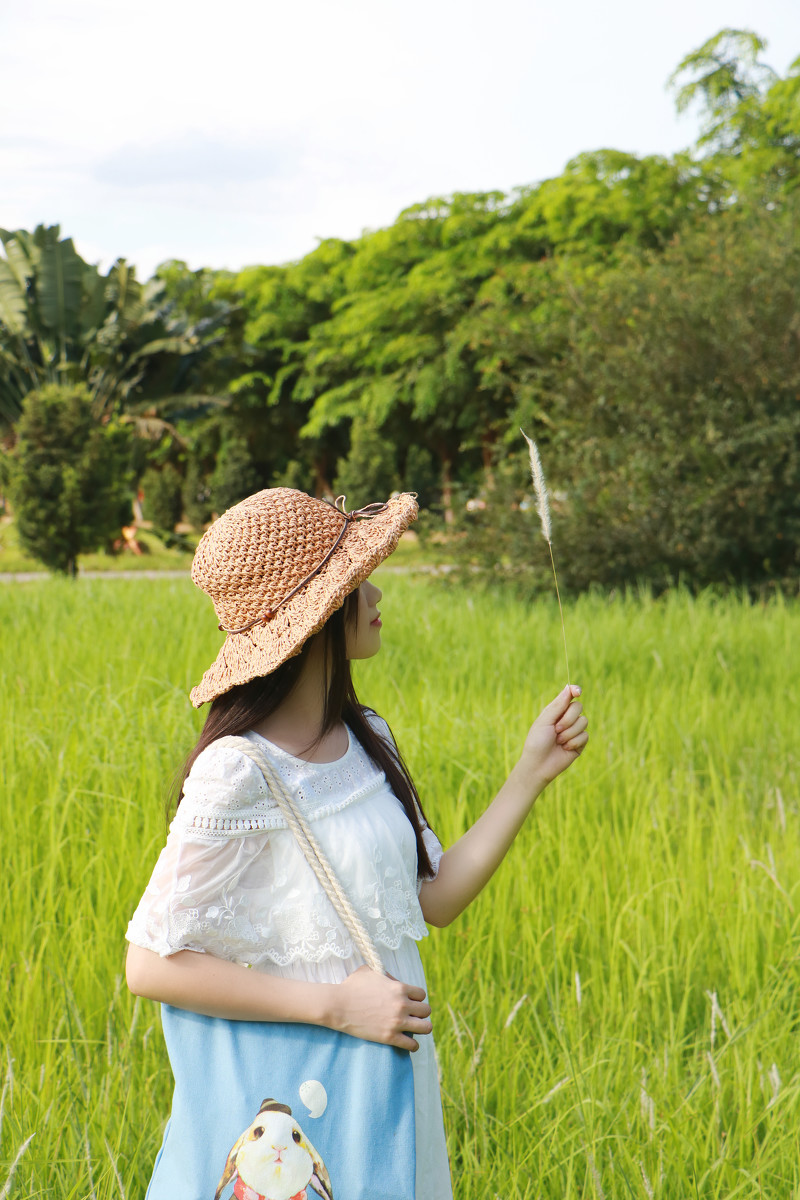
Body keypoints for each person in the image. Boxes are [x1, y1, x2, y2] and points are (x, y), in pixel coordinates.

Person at [125, 487, 588, 1200]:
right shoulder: (238, 772)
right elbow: (151, 966)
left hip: (388, 1086)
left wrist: (530, 773)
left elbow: (433, 898)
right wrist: (336, 1006)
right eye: (355, 580)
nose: (376, 593)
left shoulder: (368, 737)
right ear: (314, 619)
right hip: (305, 1103)